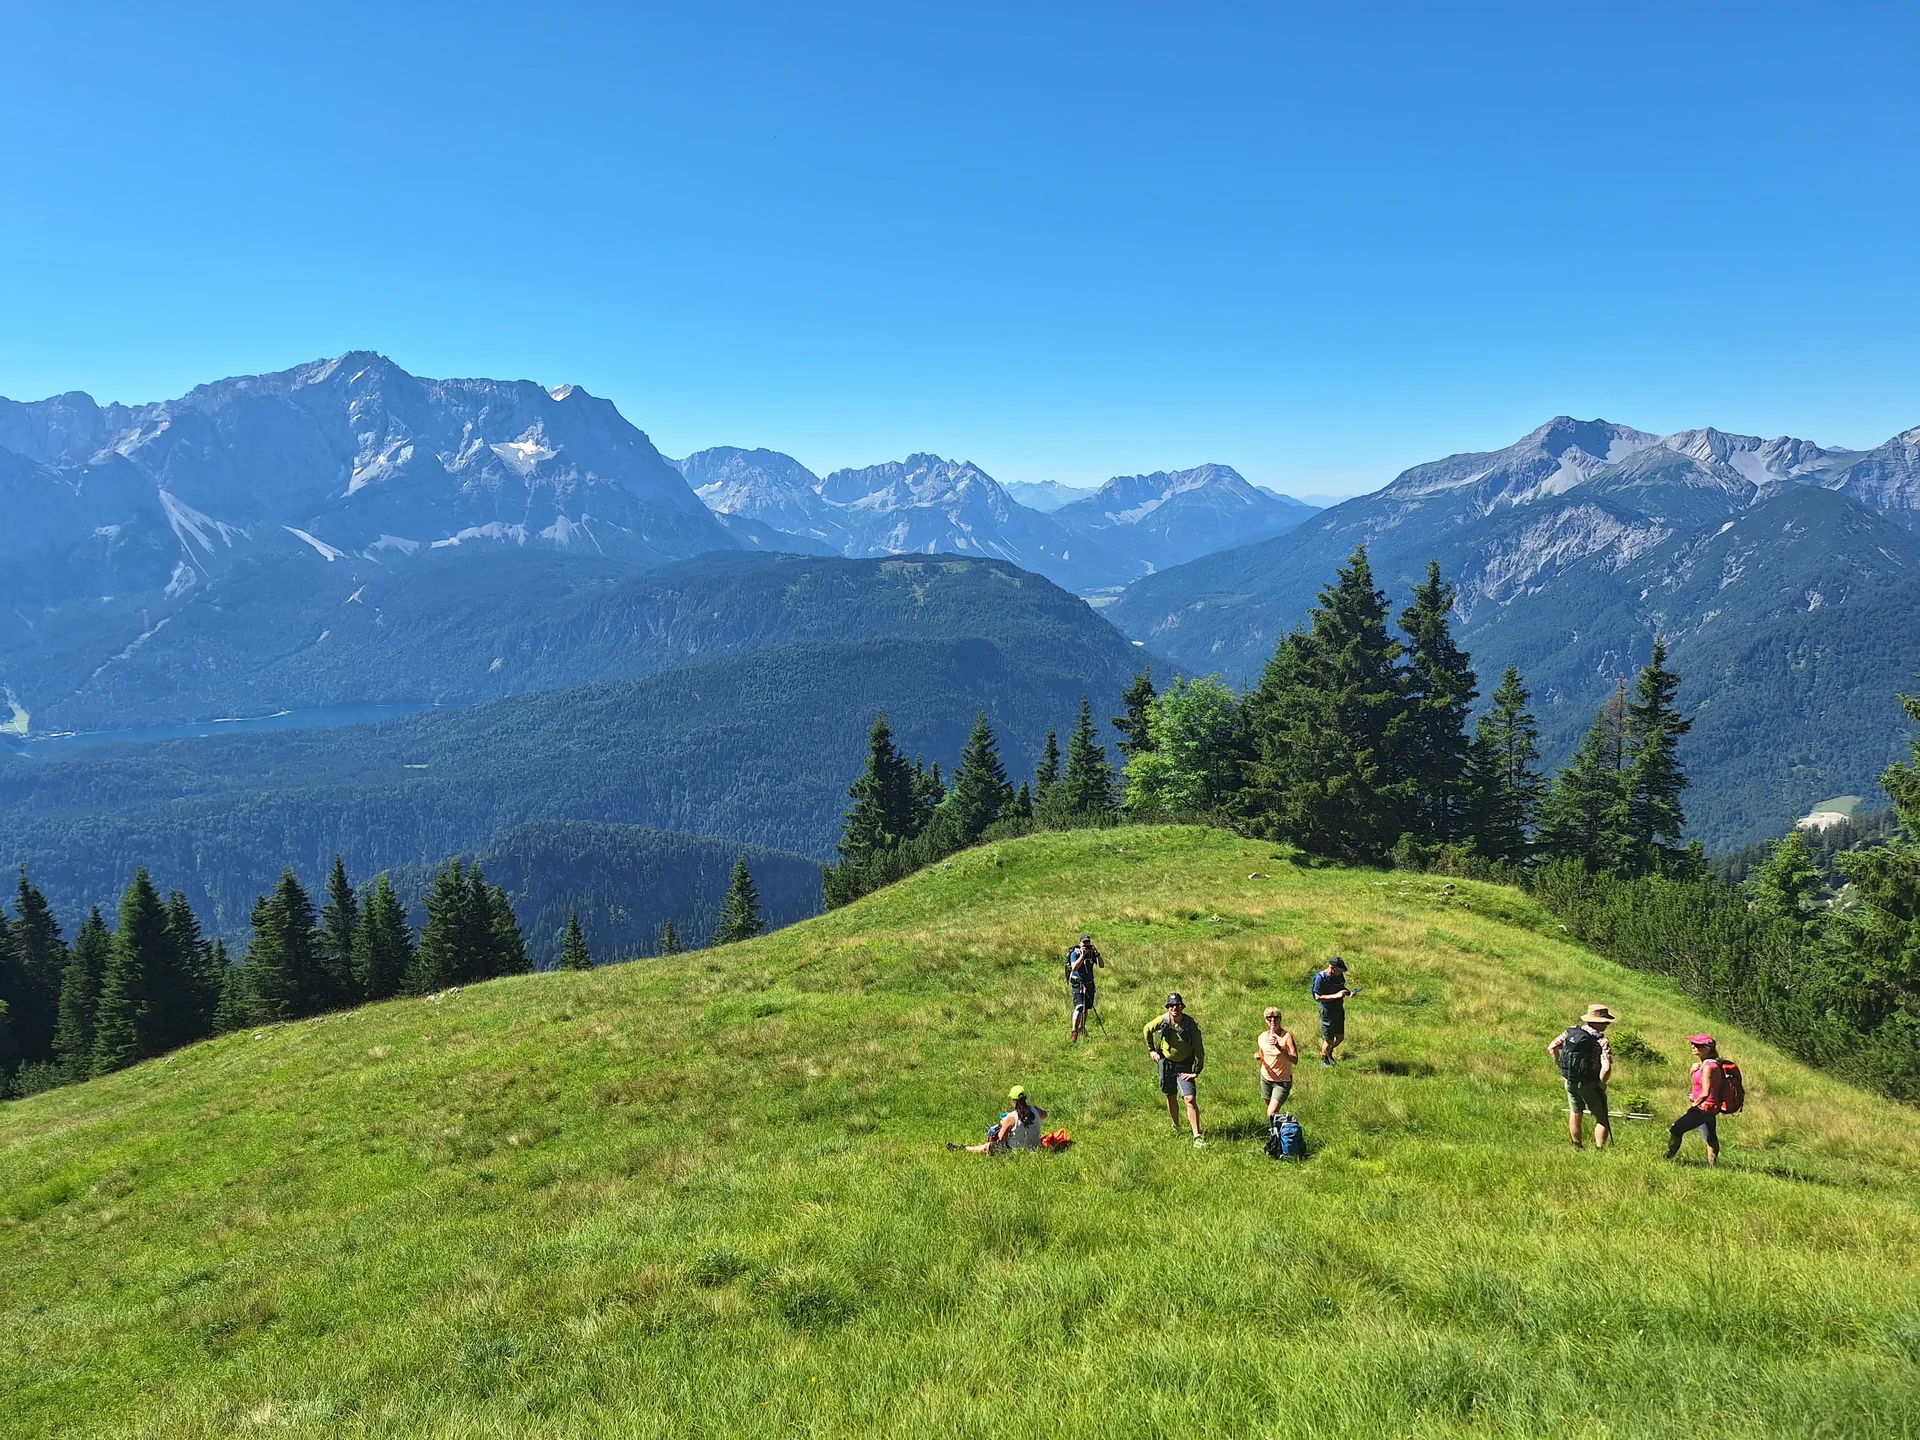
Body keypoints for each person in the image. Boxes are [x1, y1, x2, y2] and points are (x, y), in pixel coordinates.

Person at [1547, 1004, 1617, 1150]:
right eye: (1605, 1021)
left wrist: (1561, 1068)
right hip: (1590, 1083)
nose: (1607, 1024)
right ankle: (1600, 1150)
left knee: (1575, 1112)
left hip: (1570, 1079)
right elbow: (1606, 1067)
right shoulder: (1601, 1041)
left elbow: (1552, 1047)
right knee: (1601, 1118)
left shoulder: (1571, 1032)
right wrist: (1602, 1083)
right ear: (1599, 1022)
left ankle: (1577, 1146)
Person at [1145, 992, 1205, 1143]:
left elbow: (1199, 1048)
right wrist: (1151, 1050)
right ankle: (1176, 1126)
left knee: (1189, 1098)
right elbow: (1146, 1029)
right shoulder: (1163, 1020)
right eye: (1171, 1006)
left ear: (1182, 1007)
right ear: (1168, 1008)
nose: (1174, 1009)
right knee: (1170, 1095)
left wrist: (1197, 1071)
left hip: (1185, 1065)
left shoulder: (1190, 1024)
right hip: (1166, 1063)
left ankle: (1197, 1136)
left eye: (1177, 1005)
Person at [1667, 1034, 1725, 1165]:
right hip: (1710, 1107)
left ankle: (1667, 1158)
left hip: (1704, 1107)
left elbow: (1705, 1092)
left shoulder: (1709, 1067)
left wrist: (1693, 1106)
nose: (1693, 1046)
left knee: (1676, 1129)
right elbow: (1698, 1084)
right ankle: (1713, 1166)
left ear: (1707, 1048)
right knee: (1710, 1135)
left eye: (1697, 1045)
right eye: (1692, 1044)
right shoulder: (1704, 1064)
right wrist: (1693, 1071)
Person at [956, 1085, 1048, 1154]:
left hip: (1014, 1149)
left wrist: (1003, 1124)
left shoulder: (1011, 1117)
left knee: (986, 1147)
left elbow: (1001, 1137)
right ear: (1025, 1099)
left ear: (1013, 1100)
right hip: (1036, 1147)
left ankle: (965, 1148)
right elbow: (1045, 1115)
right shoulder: (1035, 1110)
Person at [1254, 1006, 1299, 1119]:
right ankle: (1278, 1132)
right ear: (1265, 1020)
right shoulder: (1261, 1036)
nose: (1273, 1020)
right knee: (1272, 1112)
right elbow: (1261, 1053)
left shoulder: (1287, 1037)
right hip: (1266, 1078)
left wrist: (1279, 1047)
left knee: (1271, 1113)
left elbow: (1295, 1059)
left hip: (1282, 1081)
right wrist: (1258, 1056)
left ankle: (1286, 1127)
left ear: (1280, 1019)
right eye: (1269, 1018)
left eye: (1276, 1017)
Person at [1311, 957, 1353, 1066]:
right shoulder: (1321, 978)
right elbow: (1317, 997)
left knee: (1340, 1037)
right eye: (1340, 971)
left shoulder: (1338, 975)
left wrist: (1348, 992)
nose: (1341, 974)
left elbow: (1341, 987)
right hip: (1327, 1010)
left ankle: (1328, 1052)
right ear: (1332, 968)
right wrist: (1336, 996)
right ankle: (1324, 1059)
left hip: (1339, 1008)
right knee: (1329, 1039)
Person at [1066, 933, 1105, 1041]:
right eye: (1084, 943)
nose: (1086, 945)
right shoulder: (1075, 953)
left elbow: (1101, 965)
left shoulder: (1091, 953)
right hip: (1078, 983)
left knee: (1086, 1007)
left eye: (1088, 942)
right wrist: (1082, 956)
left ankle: (1082, 1027)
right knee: (1079, 1006)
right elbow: (1074, 967)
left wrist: (1097, 954)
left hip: (1089, 983)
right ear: (1080, 943)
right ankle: (1074, 1031)